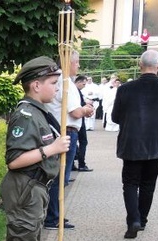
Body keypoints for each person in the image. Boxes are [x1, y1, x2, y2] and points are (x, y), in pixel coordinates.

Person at [1, 56, 70, 241]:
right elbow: (14, 160)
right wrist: (51, 150)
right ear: (36, 85)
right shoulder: (26, 115)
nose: (57, 89)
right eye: (53, 83)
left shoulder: (39, 111)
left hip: (35, 188)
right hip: (25, 189)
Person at [111, 50, 158, 239]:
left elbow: (115, 117)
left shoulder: (124, 89)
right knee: (148, 184)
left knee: (130, 183)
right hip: (155, 144)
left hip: (131, 143)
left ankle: (133, 220)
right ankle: (142, 220)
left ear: (139, 65)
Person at [43, 50, 95, 230]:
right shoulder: (64, 81)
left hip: (61, 130)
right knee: (60, 177)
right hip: (65, 131)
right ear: (69, 63)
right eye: (77, 62)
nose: (78, 65)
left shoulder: (59, 79)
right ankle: (52, 217)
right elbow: (74, 111)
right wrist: (86, 110)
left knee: (59, 176)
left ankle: (54, 214)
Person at [74, 75, 93, 171]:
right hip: (77, 120)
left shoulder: (76, 91)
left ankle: (73, 163)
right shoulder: (75, 91)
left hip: (76, 120)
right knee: (83, 142)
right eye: (83, 84)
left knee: (74, 143)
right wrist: (85, 106)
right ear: (78, 82)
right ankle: (81, 163)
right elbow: (76, 105)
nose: (84, 86)